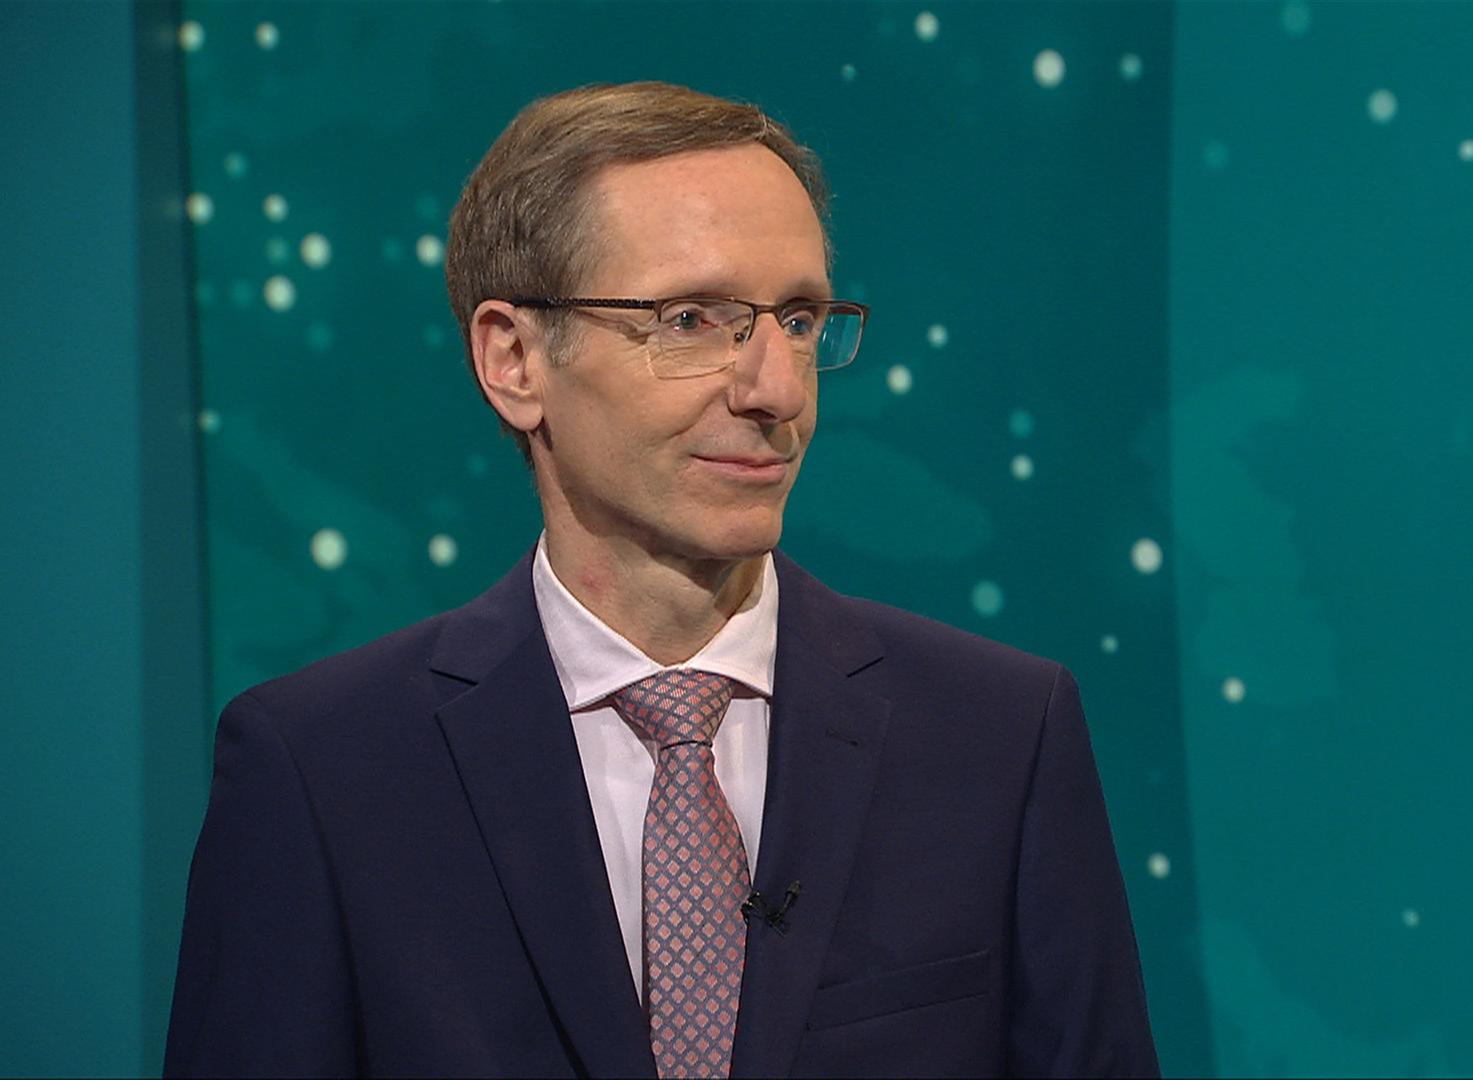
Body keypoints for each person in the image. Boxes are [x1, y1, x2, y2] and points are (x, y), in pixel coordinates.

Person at [164, 81, 1158, 1079]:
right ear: (515, 359)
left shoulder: (1001, 735)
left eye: (799, 320)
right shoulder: (323, 771)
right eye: (691, 319)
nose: (776, 389)